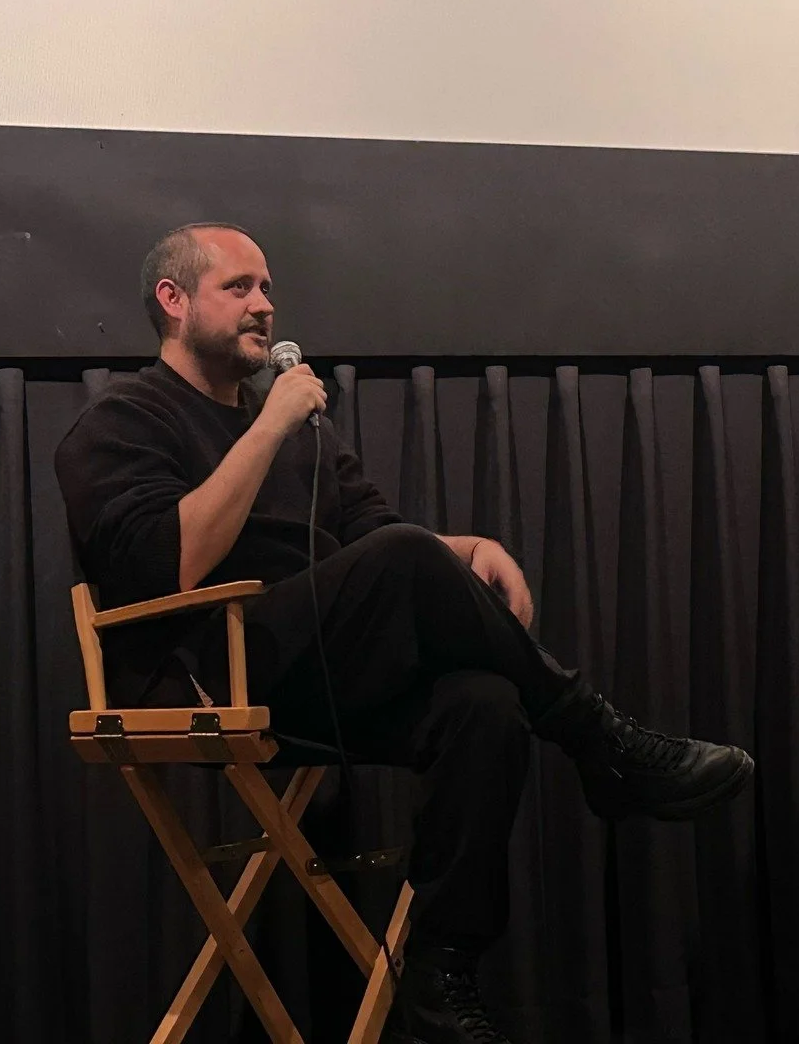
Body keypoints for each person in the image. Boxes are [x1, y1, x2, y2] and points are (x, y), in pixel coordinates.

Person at [55, 223, 754, 1044]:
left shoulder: (297, 429)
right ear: (172, 302)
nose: (265, 307)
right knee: (406, 563)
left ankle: (440, 972)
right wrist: (270, 427)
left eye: (269, 288)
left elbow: (377, 535)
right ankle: (603, 742)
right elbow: (171, 564)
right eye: (239, 288)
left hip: (314, 668)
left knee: (484, 704)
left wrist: (469, 550)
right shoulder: (122, 421)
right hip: (207, 668)